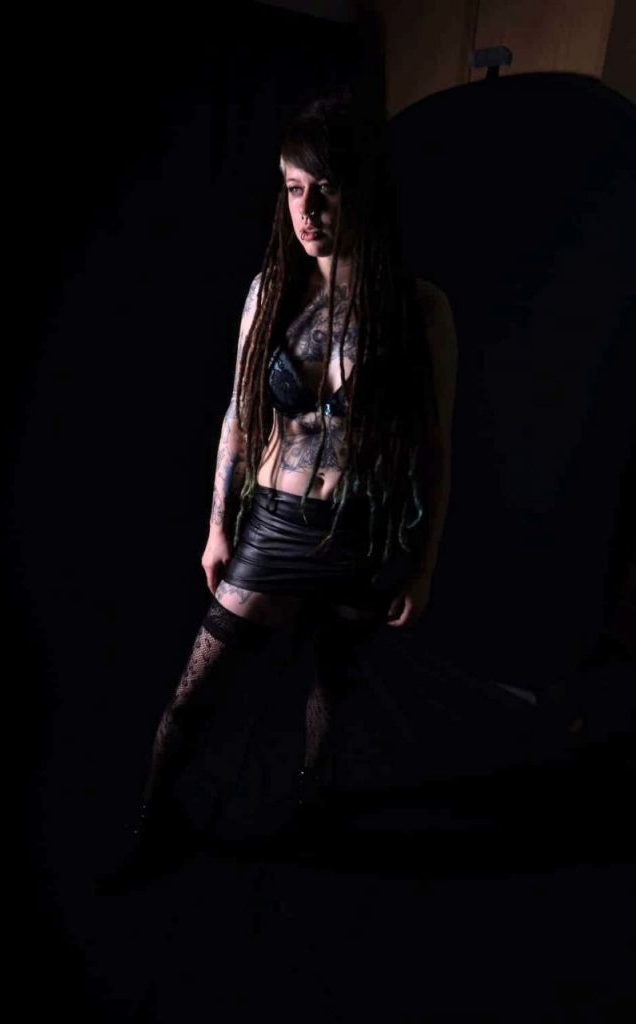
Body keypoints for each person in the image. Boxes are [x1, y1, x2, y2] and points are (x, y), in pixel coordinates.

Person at [129, 92, 457, 877]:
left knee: (332, 694)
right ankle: (152, 831)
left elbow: (434, 450)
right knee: (192, 699)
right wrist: (219, 528)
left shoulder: (419, 310)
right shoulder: (273, 292)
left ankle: (315, 815)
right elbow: (239, 417)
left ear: (360, 191)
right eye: (293, 188)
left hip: (363, 532)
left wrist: (423, 566)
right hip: (276, 525)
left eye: (325, 190)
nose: (307, 212)